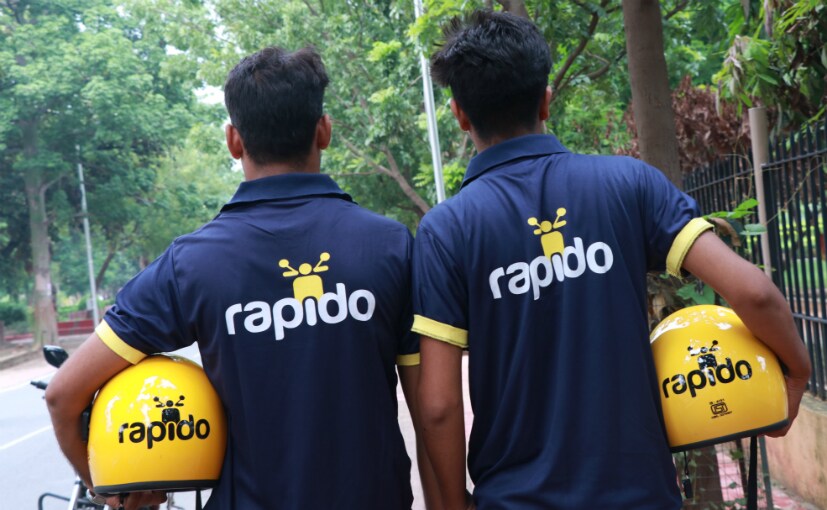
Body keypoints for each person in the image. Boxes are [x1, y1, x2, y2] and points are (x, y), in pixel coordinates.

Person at [412, 10, 812, 510]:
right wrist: (797, 371)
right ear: (546, 100)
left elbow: (438, 406)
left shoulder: (446, 231)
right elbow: (754, 292)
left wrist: (455, 504)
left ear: (459, 114)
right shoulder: (629, 183)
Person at [46, 46, 430, 510]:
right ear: (324, 131)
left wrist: (109, 488)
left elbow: (63, 396)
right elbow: (432, 411)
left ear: (233, 141)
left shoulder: (192, 264)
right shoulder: (389, 246)